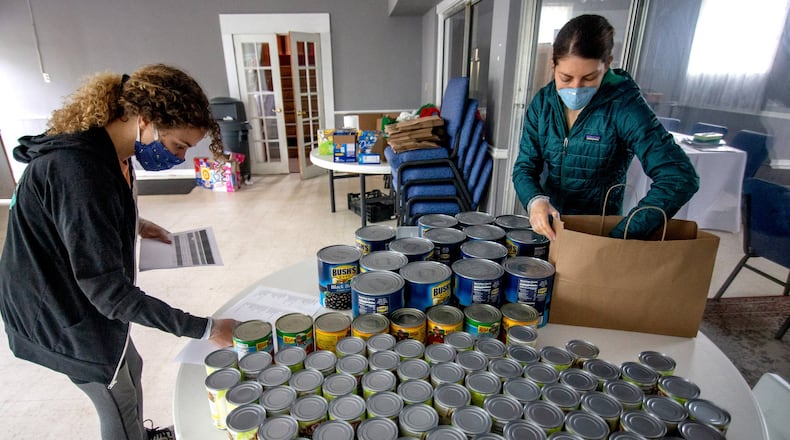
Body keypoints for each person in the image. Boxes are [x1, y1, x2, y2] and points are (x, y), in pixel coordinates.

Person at [0, 64, 239, 440]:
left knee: (132, 364)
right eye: (177, 145)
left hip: (73, 291)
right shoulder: (78, 171)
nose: (178, 157)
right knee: (115, 391)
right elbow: (109, 293)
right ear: (145, 120)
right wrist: (206, 328)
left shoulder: (110, 147)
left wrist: (136, 223)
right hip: (54, 308)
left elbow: (84, 217)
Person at [512, 14, 699, 240]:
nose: (576, 87)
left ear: (608, 64)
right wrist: (535, 200)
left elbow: (679, 176)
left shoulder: (624, 105)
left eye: (589, 78)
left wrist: (623, 234)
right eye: (566, 77)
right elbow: (525, 167)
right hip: (552, 227)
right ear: (553, 65)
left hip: (600, 230)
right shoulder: (543, 104)